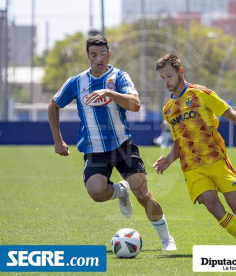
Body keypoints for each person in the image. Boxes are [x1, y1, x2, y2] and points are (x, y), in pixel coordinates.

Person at [48, 36, 176, 250]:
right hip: (94, 150)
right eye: (93, 55)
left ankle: (166, 239)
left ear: (109, 54)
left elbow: (135, 105)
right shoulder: (76, 82)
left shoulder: (119, 77)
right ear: (87, 56)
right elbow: (53, 105)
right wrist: (57, 140)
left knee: (143, 194)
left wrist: (110, 93)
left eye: (102, 54)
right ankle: (120, 191)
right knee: (97, 192)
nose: (99, 59)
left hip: (122, 146)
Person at [152, 53, 236, 246]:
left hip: (215, 159)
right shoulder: (168, 109)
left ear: (180, 72)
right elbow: (179, 141)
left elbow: (232, 115)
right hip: (192, 167)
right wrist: (168, 159)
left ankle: (234, 183)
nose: (166, 81)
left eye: (169, 76)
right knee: (213, 206)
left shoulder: (202, 94)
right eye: (162, 78)